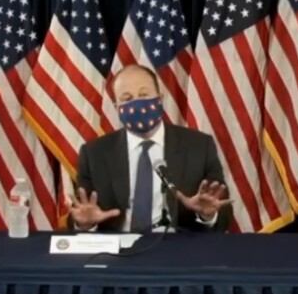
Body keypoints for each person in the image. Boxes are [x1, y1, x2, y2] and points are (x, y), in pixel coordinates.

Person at [70, 65, 232, 232]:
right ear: (117, 108)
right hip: (118, 250)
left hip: (180, 248)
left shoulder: (199, 146)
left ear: (160, 98)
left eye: (143, 95)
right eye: (126, 98)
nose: (137, 103)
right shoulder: (94, 153)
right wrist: (85, 223)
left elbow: (224, 212)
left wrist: (207, 215)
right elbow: (80, 212)